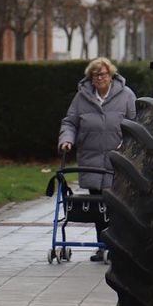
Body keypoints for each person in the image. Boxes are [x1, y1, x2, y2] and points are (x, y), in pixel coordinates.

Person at [58, 57, 137, 261]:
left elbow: (136, 124)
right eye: (95, 75)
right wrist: (67, 140)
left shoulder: (127, 96)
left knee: (114, 205)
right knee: (97, 205)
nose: (99, 78)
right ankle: (102, 246)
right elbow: (70, 122)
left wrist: (129, 146)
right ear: (90, 78)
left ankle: (115, 246)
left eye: (103, 74)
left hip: (117, 160)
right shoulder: (81, 98)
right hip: (91, 160)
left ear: (111, 76)